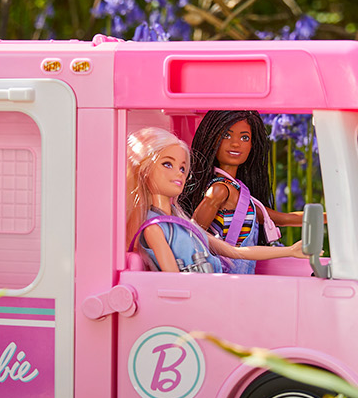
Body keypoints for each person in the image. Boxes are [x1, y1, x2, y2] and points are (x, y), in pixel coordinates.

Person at [127, 127, 306, 275]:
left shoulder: (180, 221)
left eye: (182, 167)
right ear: (145, 170)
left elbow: (235, 252)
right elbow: (174, 281)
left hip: (217, 284)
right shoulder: (154, 227)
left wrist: (289, 251)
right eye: (167, 164)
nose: (179, 173)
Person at [179, 110, 305, 274]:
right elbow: (194, 236)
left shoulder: (241, 193)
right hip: (223, 277)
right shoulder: (219, 190)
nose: (236, 144)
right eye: (227, 135)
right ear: (212, 138)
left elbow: (281, 218)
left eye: (244, 137)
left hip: (242, 279)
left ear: (252, 144)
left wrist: (331, 218)